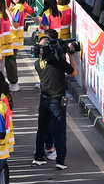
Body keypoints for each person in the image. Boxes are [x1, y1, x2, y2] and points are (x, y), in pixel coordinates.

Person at [31, 29, 74, 169]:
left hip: (44, 99)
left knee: (42, 129)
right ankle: (60, 161)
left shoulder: (37, 64)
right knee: (59, 131)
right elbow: (73, 72)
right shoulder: (58, 62)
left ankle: (38, 157)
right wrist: (70, 55)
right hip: (57, 100)